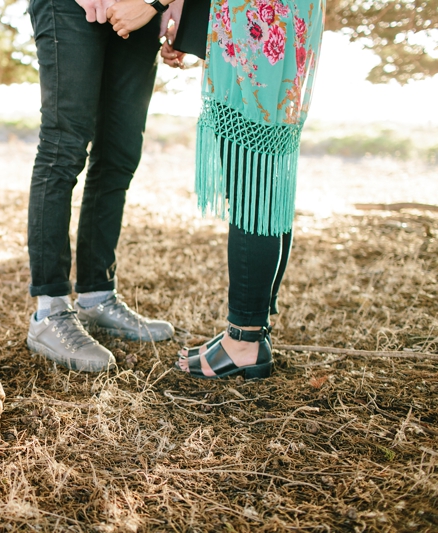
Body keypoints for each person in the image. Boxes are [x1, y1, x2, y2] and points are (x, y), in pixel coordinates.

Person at [110, 0, 325, 379]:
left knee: (251, 184)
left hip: (258, 18)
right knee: (266, 180)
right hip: (283, 18)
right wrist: (191, 23)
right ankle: (253, 328)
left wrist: (155, 3)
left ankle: (245, 340)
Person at [25, 0, 178, 373]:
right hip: (71, 7)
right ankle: (50, 310)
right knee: (63, 149)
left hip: (143, 9)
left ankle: (96, 296)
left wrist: (173, 4)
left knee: (118, 155)